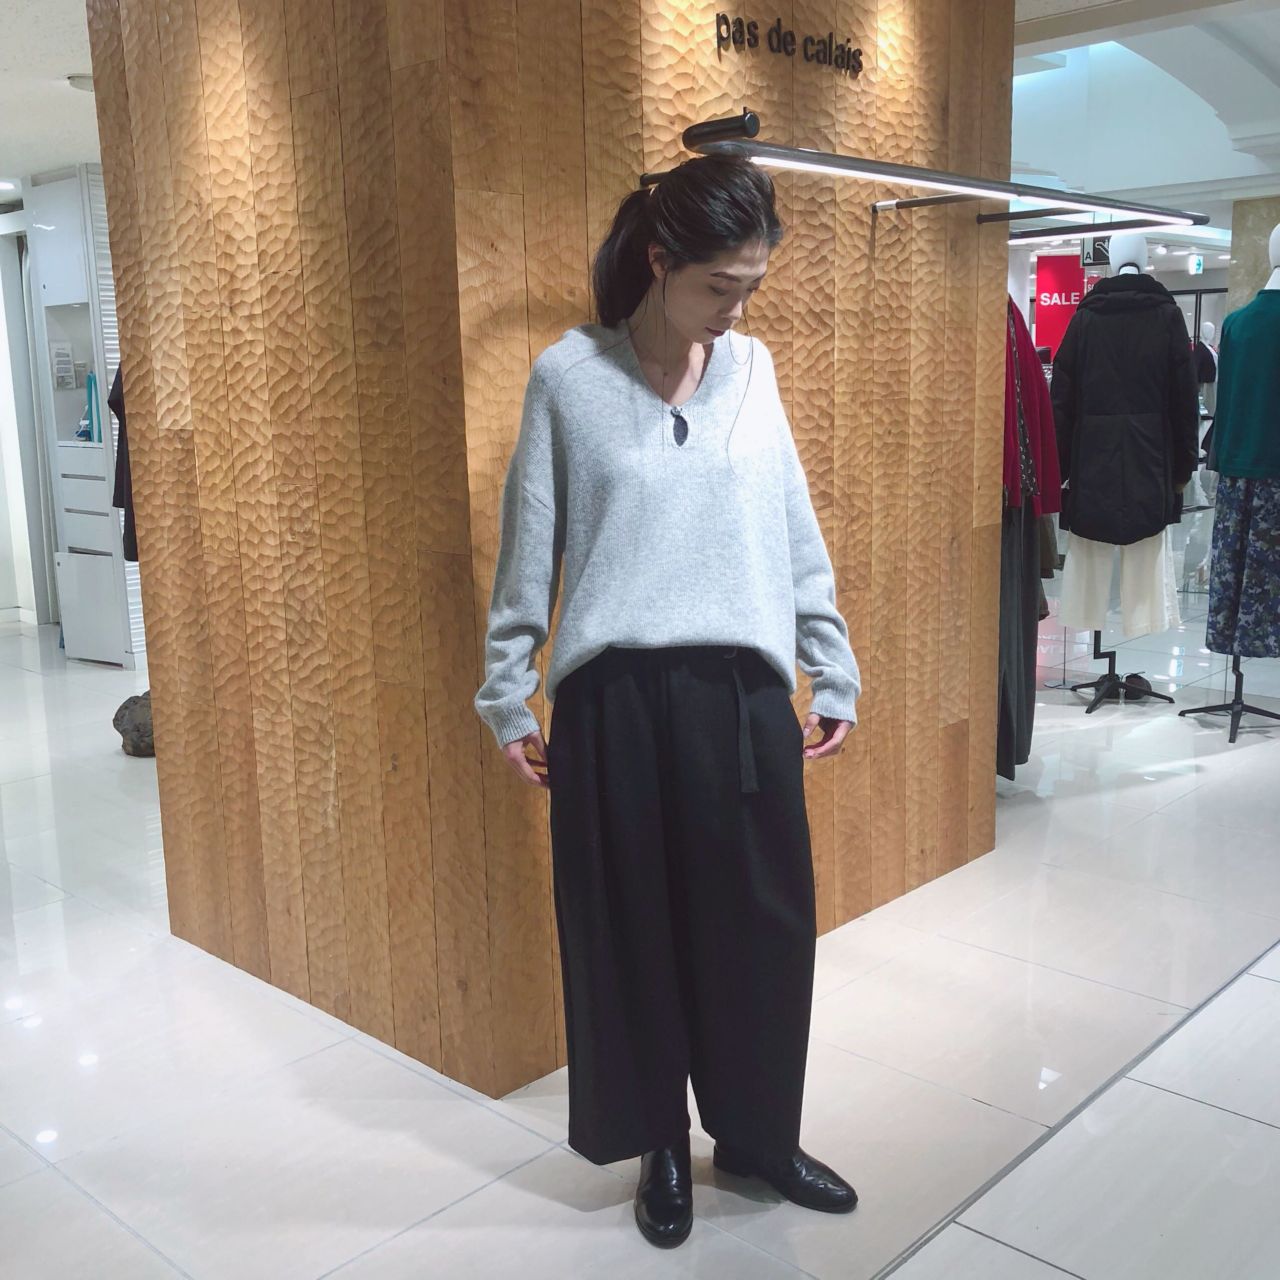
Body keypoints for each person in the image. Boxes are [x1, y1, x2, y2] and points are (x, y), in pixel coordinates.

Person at [474, 154, 862, 1249]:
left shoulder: (754, 370)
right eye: (718, 285)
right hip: (615, 703)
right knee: (630, 936)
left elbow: (792, 529)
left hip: (742, 698)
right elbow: (529, 549)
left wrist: (830, 664)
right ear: (658, 261)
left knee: (762, 934)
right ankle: (659, 1144)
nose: (736, 308)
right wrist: (508, 695)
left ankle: (757, 1137)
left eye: (751, 286)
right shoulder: (569, 377)